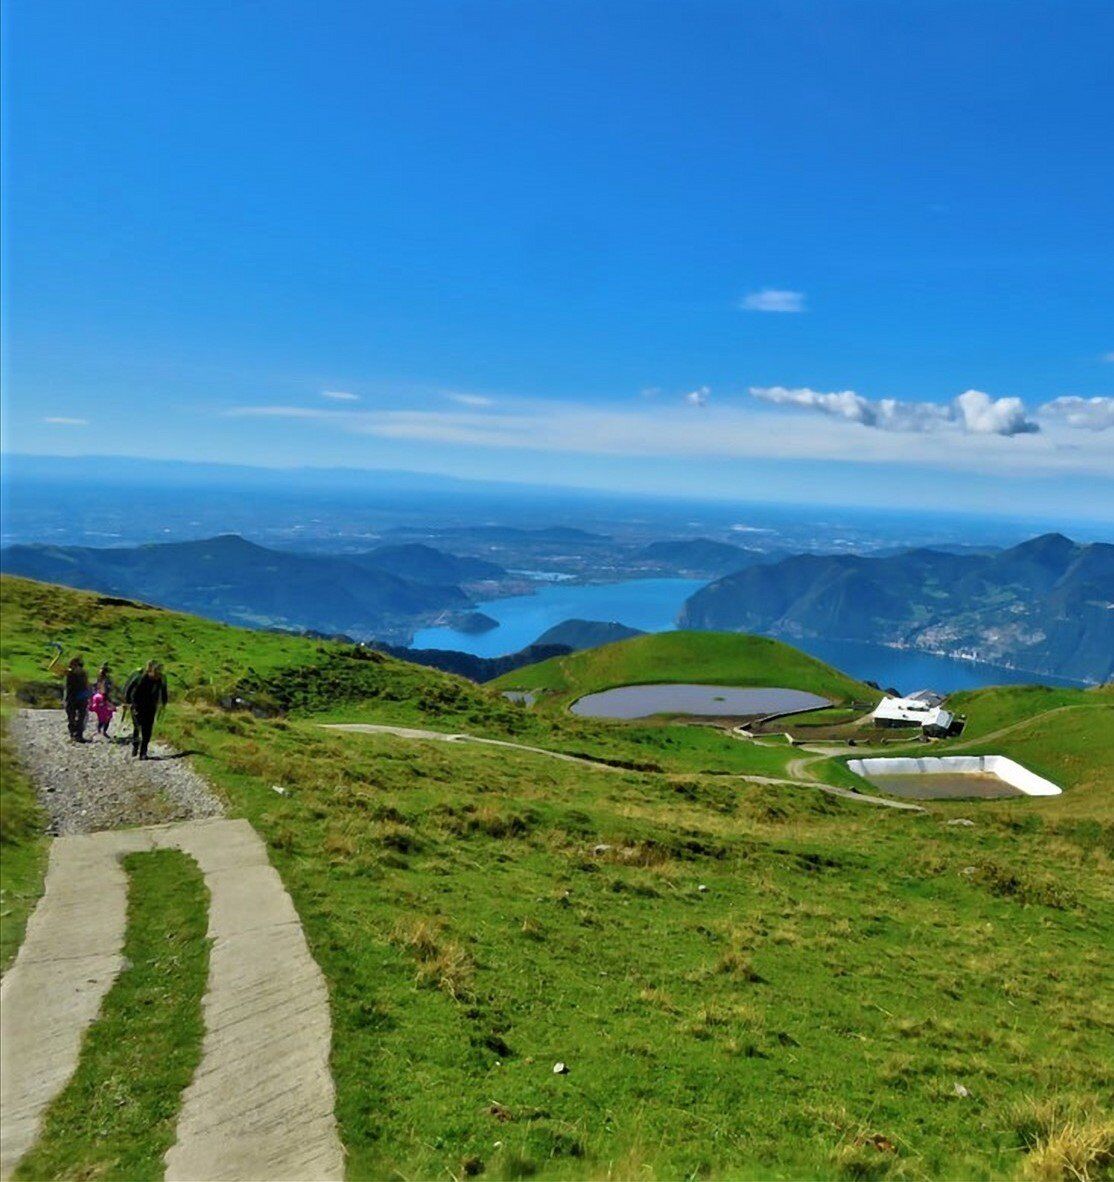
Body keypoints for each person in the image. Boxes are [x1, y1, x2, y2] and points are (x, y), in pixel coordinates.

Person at [127, 661, 168, 759]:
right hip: (138, 706)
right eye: (157, 673)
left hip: (151, 707)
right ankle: (135, 746)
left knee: (148, 729)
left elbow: (163, 691)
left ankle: (143, 752)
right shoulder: (142, 678)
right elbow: (131, 691)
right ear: (152, 671)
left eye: (160, 673)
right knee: (137, 727)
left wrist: (164, 703)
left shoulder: (160, 680)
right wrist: (130, 703)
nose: (158, 675)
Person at [63, 657, 90, 742]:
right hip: (71, 698)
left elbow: (86, 685)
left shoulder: (83, 674)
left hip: (81, 698)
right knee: (71, 717)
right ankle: (73, 734)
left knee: (81, 716)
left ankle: (79, 735)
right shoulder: (69, 673)